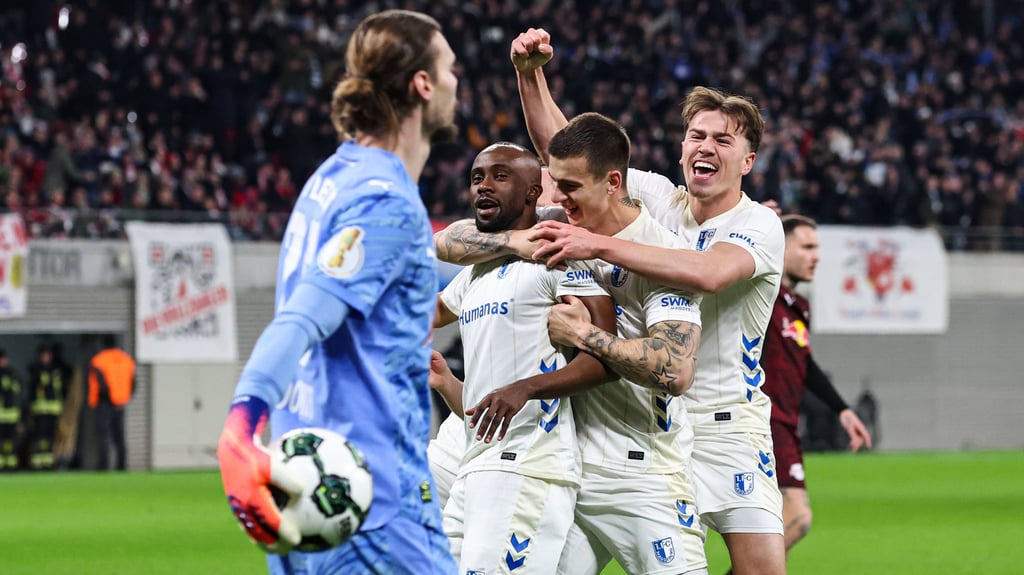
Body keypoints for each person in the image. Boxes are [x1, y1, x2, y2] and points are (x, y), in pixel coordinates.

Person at [435, 28, 787, 575]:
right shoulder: (656, 199)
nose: (705, 147)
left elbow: (709, 273)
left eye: (723, 140)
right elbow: (569, 154)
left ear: (748, 160)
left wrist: (593, 246)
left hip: (723, 420)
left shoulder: (757, 224)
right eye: (696, 135)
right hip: (615, 426)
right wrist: (530, 77)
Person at [215, 9, 460, 575]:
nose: (456, 82)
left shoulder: (331, 179)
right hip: (372, 507)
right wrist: (240, 424)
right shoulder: (385, 200)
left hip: (307, 494)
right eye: (450, 69)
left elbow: (400, 282)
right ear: (423, 84)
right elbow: (301, 320)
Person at [443, 114, 709, 575]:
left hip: (640, 469)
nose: (556, 198)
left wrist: (583, 335)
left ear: (612, 183)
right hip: (566, 460)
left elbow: (675, 369)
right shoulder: (553, 228)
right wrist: (515, 241)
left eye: (569, 187)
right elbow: (446, 241)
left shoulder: (663, 254)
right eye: (553, 184)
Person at [428, 142, 618, 574]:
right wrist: (446, 381)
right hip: (474, 462)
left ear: (534, 191)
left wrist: (526, 388)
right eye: (477, 178)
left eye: (500, 176)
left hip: (528, 464)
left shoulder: (559, 260)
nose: (484, 186)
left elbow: (605, 359)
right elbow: (427, 313)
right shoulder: (475, 273)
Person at [760, 214, 872, 561]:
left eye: (817, 248)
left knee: (775, 523)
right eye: (807, 247)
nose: (816, 256)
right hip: (762, 421)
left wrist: (842, 409)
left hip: (785, 424)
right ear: (780, 248)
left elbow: (804, 364)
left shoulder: (798, 308)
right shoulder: (760, 296)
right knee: (796, 516)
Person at [88, 335, 136, 471]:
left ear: (103, 345)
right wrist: (123, 400)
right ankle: (121, 465)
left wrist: (109, 399)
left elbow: (101, 384)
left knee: (104, 435)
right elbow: (133, 383)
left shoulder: (98, 360)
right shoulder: (127, 360)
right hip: (121, 404)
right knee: (119, 436)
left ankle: (103, 465)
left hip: (104, 403)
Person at [26, 343, 70, 470]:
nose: (46, 358)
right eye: (44, 355)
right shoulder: (35, 370)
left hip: (54, 410)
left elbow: (62, 390)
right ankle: (37, 462)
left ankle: (48, 461)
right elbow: (31, 390)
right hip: (40, 411)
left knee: (50, 437)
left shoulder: (56, 371)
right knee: (39, 436)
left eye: (48, 355)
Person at [0, 349, 24, 471]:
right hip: (1, 415)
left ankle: (11, 464)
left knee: (11, 441)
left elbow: (19, 395)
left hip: (12, 415)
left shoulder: (13, 374)